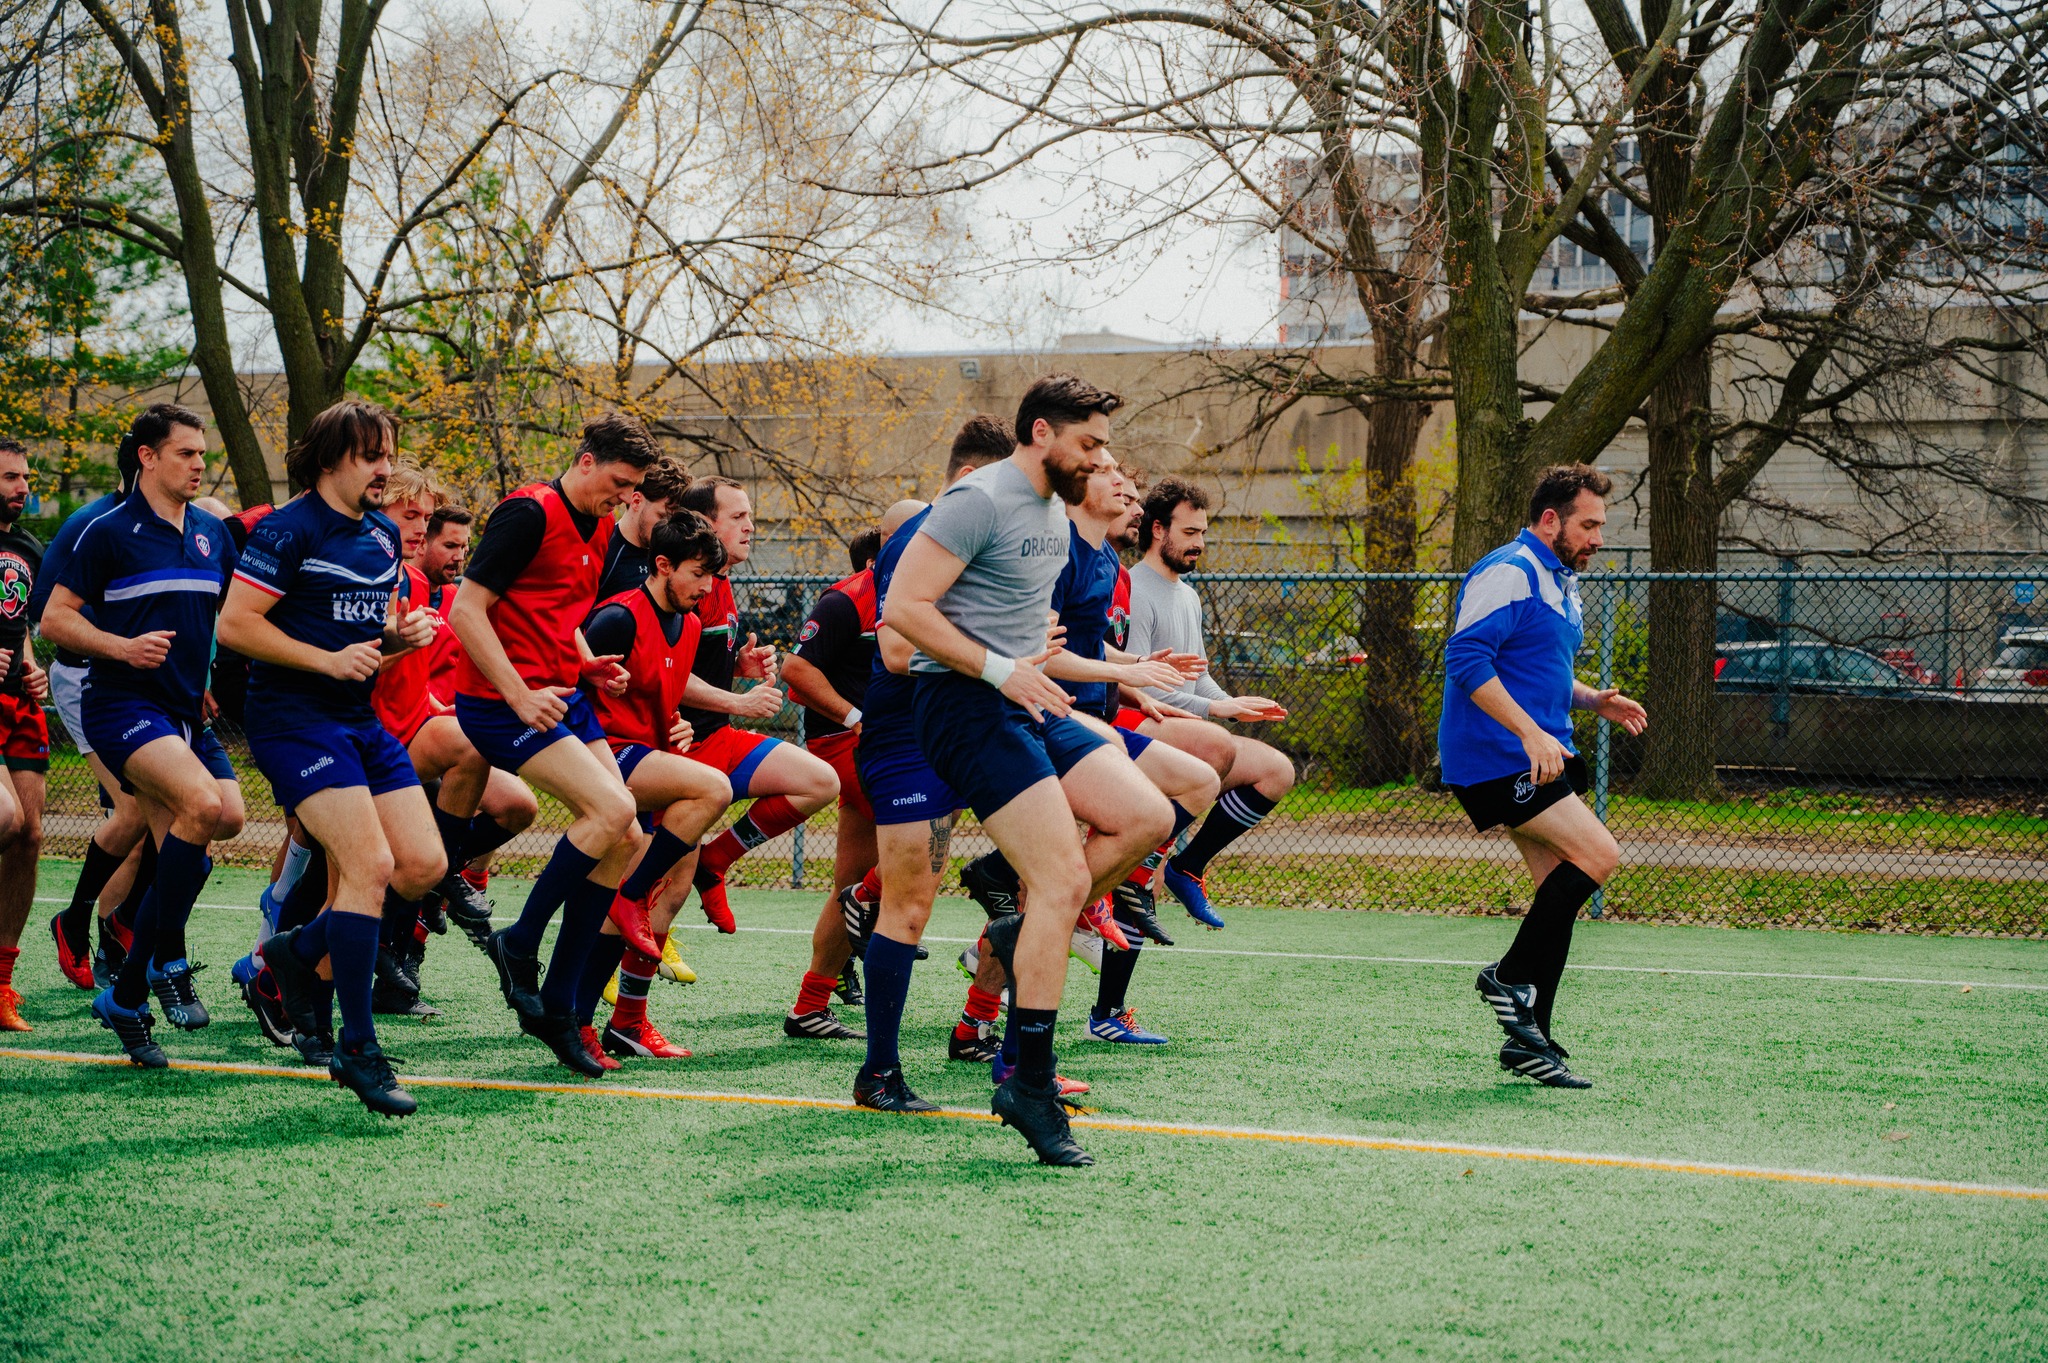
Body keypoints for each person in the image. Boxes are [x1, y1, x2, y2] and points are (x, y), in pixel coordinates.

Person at [887, 374, 1172, 1164]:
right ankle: (1029, 1081)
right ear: (1041, 433)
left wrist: (1043, 660)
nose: (1102, 457)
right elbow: (904, 613)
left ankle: (1020, 929)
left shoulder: (1054, 509)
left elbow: (1019, 617)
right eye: (1089, 443)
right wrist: (999, 667)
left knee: (1146, 816)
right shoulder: (978, 499)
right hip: (963, 708)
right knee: (1062, 881)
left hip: (1023, 699)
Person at [217, 400, 446, 1115]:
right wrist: (325, 657)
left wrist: (397, 637)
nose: (385, 468)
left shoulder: (380, 534)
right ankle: (359, 1047)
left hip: (355, 717)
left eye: (389, 452)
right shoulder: (288, 530)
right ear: (328, 461)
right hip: (293, 720)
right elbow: (236, 624)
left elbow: (356, 626)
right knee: (369, 869)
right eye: (370, 455)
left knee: (423, 865)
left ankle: (289, 955)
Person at [449, 413, 653, 1077]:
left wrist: (586, 660)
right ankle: (521, 939)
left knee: (625, 833)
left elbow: (556, 614)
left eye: (633, 491)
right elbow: (466, 610)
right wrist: (515, 692)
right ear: (586, 459)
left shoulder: (595, 524)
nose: (622, 500)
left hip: (560, 697)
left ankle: (561, 1006)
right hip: (498, 703)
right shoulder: (527, 513)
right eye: (619, 484)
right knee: (611, 812)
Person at [42, 404, 239, 1067]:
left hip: (185, 712)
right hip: (120, 703)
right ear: (149, 457)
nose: (200, 463)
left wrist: (208, 674)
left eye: (203, 453)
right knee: (203, 807)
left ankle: (125, 993)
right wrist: (121, 647)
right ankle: (158, 965)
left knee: (225, 821)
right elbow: (54, 620)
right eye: (186, 452)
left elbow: (223, 620)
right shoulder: (106, 531)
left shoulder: (214, 533)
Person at [1441, 464, 1645, 1089]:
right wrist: (1529, 732)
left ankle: (1532, 1045)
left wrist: (1591, 700)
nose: (1598, 538)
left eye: (1601, 527)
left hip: (1533, 752)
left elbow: (1535, 667)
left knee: (1558, 891)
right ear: (1551, 519)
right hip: (1498, 756)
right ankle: (1507, 978)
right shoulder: (1509, 571)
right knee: (1599, 854)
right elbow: (1466, 659)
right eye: (1589, 525)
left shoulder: (1557, 579)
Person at [828, 418, 1014, 1081]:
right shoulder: (918, 536)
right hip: (907, 740)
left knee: (1059, 866)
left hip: (969, 728)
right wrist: (1001, 660)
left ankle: (998, 1038)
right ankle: (879, 1073)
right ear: (969, 480)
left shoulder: (999, 532)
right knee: (909, 906)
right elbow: (899, 651)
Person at [577, 511, 735, 1063]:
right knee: (713, 788)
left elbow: (664, 692)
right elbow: (567, 686)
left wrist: (679, 722)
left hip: (647, 756)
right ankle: (575, 1013)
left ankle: (628, 1021)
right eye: (697, 574)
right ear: (662, 565)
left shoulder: (689, 624)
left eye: (713, 576)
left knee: (680, 871)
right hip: (604, 758)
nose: (707, 587)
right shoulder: (618, 616)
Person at [1123, 477, 1298, 930]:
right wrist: (1215, 713)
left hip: (1192, 735)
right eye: (1190, 533)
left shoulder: (1189, 595)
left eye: (1203, 533)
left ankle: (1188, 865)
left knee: (1277, 770)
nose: (1199, 543)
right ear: (1158, 529)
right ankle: (1104, 1004)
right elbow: (1142, 685)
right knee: (1137, 891)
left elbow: (1198, 679)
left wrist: (1231, 703)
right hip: (1145, 731)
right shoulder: (1134, 589)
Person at [672, 476, 838, 933]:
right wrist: (739, 700)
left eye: (752, 517)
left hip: (717, 739)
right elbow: (665, 672)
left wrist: (739, 664)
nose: (751, 527)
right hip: (679, 750)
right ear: (707, 523)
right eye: (739, 517)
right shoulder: (687, 586)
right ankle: (623, 972)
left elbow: (701, 661)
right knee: (668, 885)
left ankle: (716, 860)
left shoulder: (723, 582)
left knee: (820, 782)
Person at [776, 527, 883, 1033]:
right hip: (849, 747)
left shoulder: (928, 594)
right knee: (933, 819)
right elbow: (795, 668)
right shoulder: (847, 600)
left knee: (850, 881)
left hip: (885, 746)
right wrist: (854, 716)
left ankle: (810, 1006)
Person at [415, 503, 536, 906]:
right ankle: (272, 930)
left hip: (451, 729)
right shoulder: (401, 587)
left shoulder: (462, 601)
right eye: (450, 545)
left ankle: (444, 874)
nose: (459, 557)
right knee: (305, 838)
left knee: (518, 805)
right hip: (406, 728)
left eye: (465, 548)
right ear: (422, 540)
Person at [0, 438, 49, 1031]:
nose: (23, 486)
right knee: (4, 819)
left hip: (18, 702)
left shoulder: (27, 548)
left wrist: (31, 664)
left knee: (30, 834)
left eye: (26, 476)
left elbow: (20, 625)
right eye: (10, 476)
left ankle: (3, 982)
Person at [595, 457, 691, 600]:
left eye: (674, 520)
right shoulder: (603, 550)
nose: (668, 527)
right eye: (662, 516)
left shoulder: (676, 557)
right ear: (636, 501)